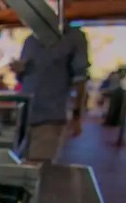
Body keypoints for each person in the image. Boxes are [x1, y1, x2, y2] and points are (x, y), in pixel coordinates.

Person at [9, 25, 89, 162]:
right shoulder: (30, 40)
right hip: (24, 117)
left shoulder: (73, 37)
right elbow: (23, 79)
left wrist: (77, 116)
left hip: (50, 117)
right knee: (17, 162)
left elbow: (80, 80)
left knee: (38, 165)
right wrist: (20, 70)